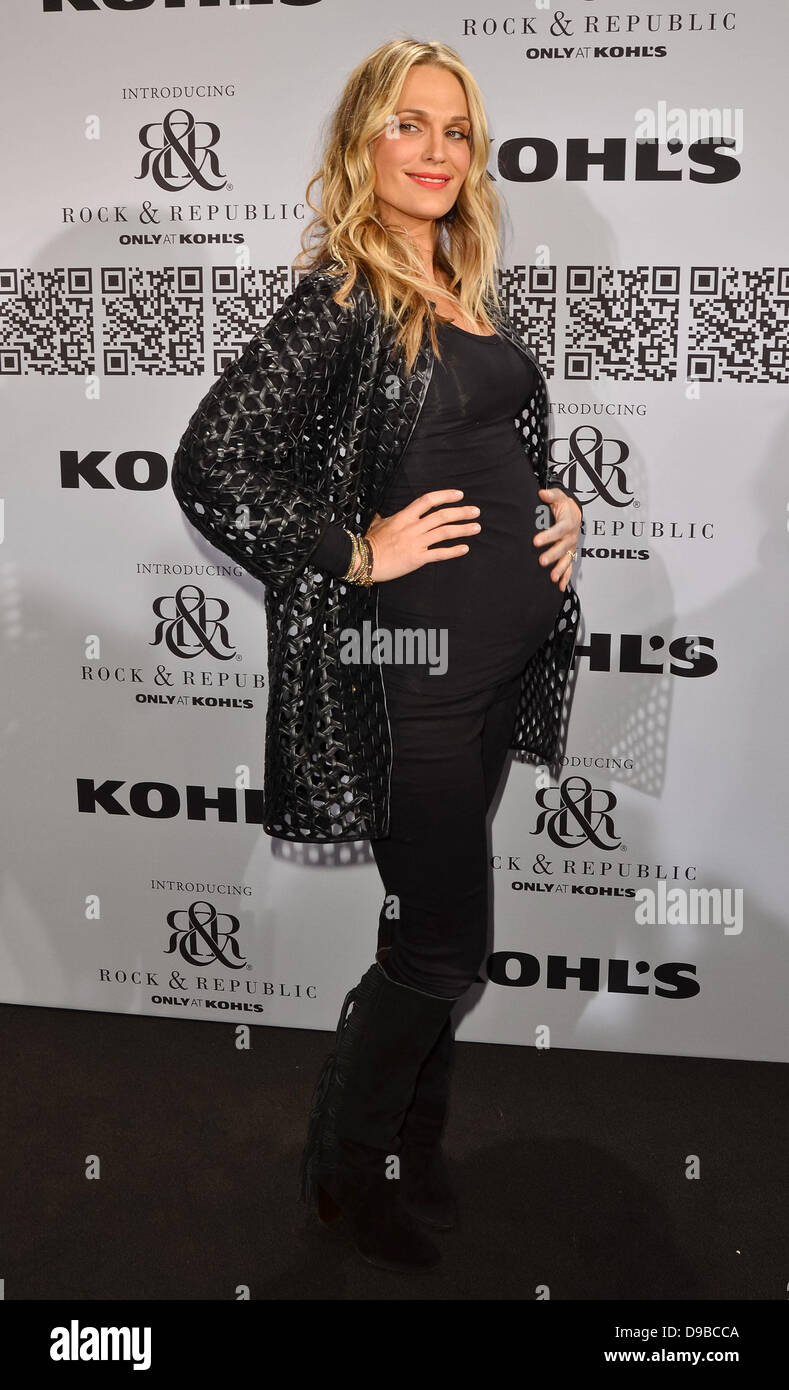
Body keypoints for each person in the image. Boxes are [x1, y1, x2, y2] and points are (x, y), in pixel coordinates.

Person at [171, 37, 583, 1276]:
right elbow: (213, 466)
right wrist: (356, 554)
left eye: (457, 131)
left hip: (497, 664)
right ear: (363, 143)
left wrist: (555, 505)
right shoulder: (345, 292)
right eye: (409, 125)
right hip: (417, 679)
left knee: (437, 922)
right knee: (440, 948)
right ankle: (345, 1172)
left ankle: (413, 1144)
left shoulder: (457, 284)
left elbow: (473, 451)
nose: (438, 151)